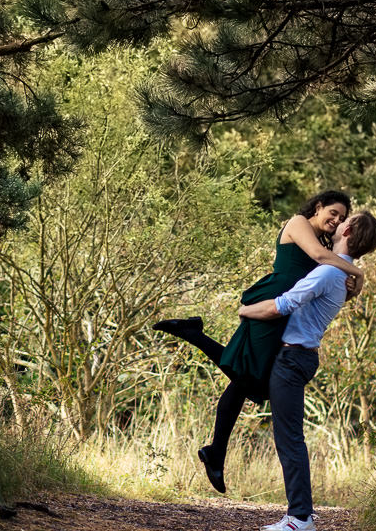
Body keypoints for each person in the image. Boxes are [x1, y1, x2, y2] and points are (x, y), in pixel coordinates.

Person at [154, 190, 364, 493]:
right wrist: (357, 270)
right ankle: (193, 337)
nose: (336, 220)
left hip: (286, 311)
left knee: (245, 379)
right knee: (249, 379)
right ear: (318, 207)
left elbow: (329, 281)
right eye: (333, 212)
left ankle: (216, 450)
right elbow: (319, 259)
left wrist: (350, 280)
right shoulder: (298, 223)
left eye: (342, 218)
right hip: (273, 301)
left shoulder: (326, 248)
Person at [240, 211, 376, 531]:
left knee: (289, 439)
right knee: (289, 437)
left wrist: (244, 309)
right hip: (296, 358)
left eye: (345, 219)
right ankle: (300, 514)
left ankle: (300, 518)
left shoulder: (329, 273)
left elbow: (280, 306)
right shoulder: (337, 275)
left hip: (293, 360)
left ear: (347, 229)